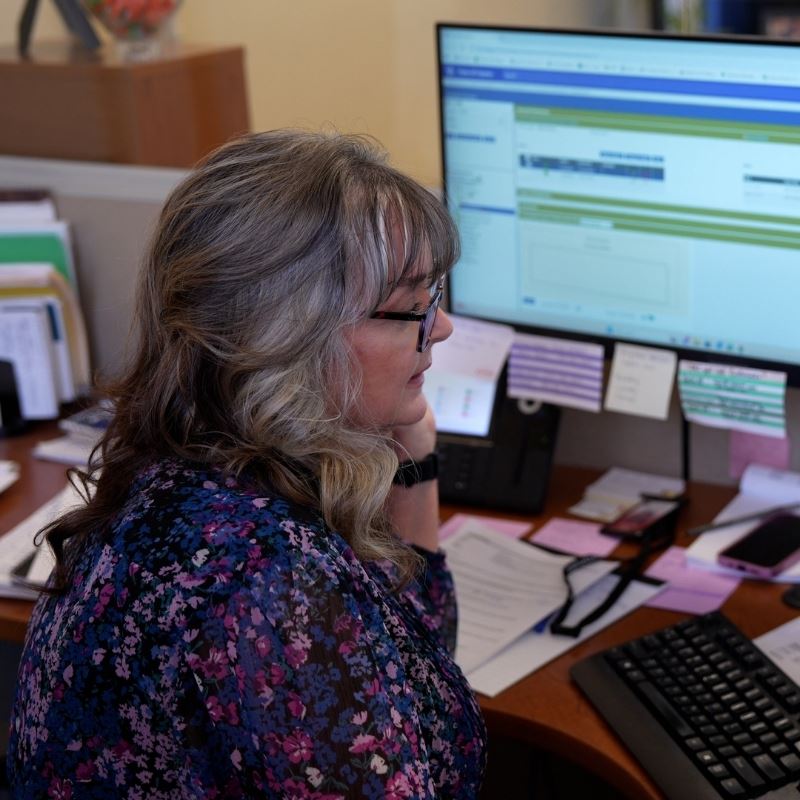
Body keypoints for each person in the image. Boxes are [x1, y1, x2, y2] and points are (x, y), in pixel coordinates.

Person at [8, 130, 487, 798]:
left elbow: (418, 662)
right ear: (288, 336)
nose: (442, 327)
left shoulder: (176, 472)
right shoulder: (270, 578)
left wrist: (414, 457)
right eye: (413, 306)